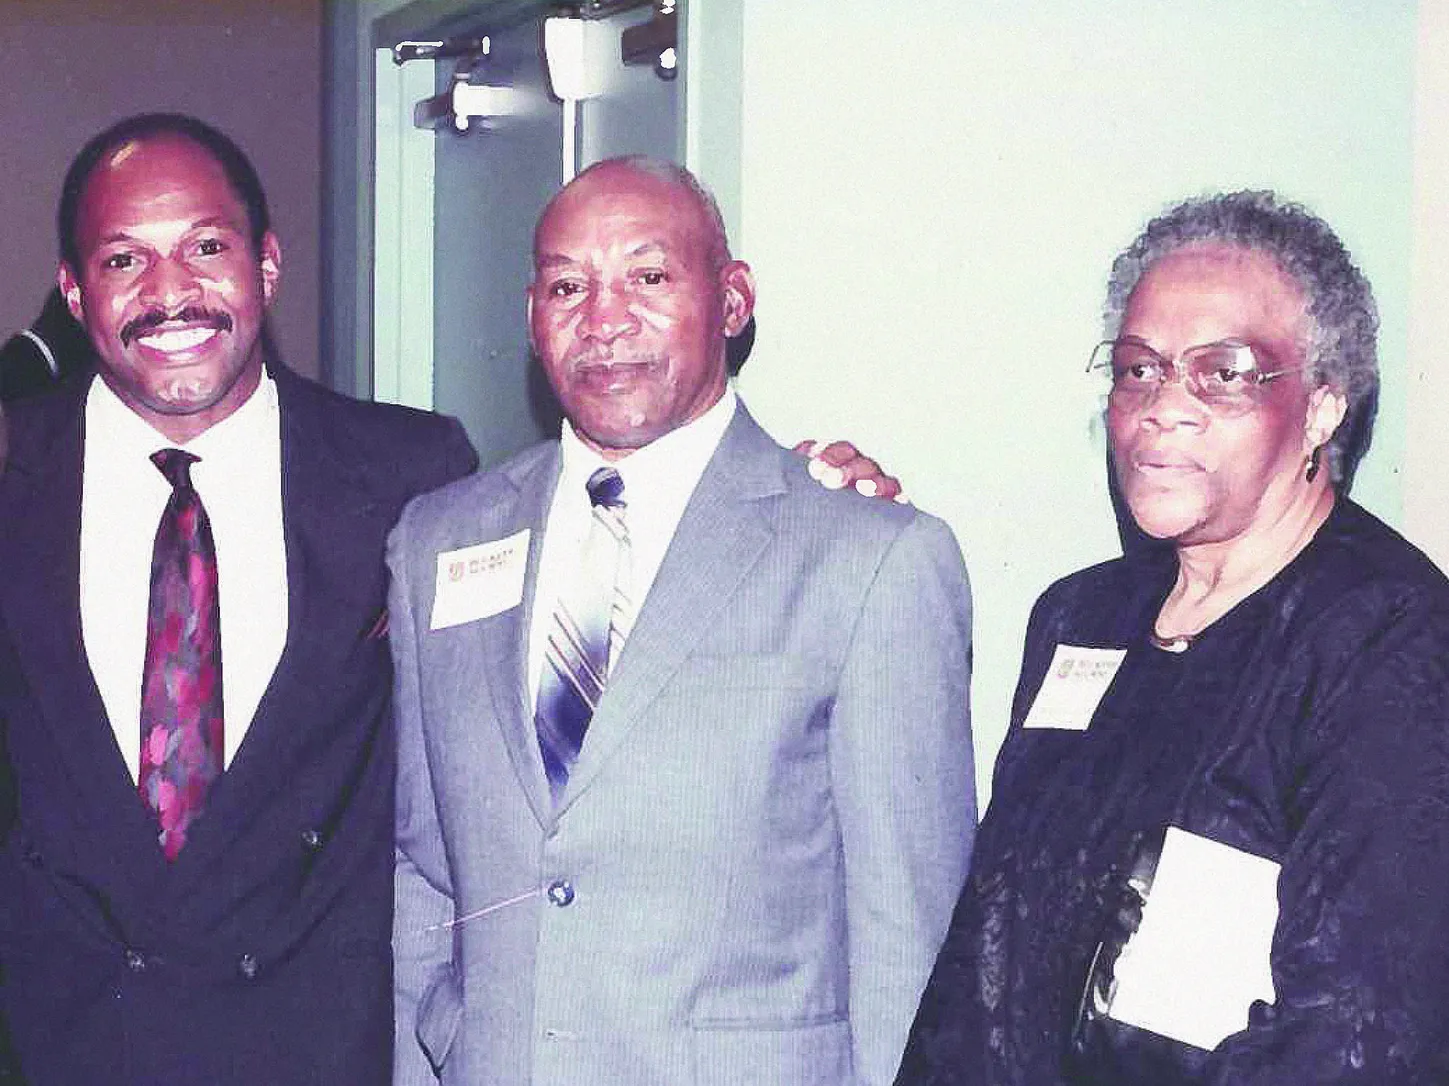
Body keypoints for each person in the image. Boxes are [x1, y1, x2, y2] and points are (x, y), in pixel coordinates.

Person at [389, 156, 976, 1086]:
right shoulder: (437, 541)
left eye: (648, 276)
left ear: (733, 299)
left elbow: (910, 941)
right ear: (532, 316)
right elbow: (422, 876)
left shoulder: (868, 560)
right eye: (567, 285)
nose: (604, 320)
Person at [895, 191, 1449, 1085]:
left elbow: (1360, 1037)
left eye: (1223, 372)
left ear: (1318, 412)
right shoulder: (1079, 619)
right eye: (1138, 369)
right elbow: (981, 963)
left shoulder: (1388, 640)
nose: (1163, 406)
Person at [0, 113, 479, 1084]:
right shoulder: (12, 471)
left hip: (312, 1048)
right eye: (124, 259)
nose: (170, 292)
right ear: (73, 292)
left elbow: (566, 624)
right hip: (60, 1047)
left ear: (265, 265)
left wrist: (809, 516)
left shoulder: (409, 472)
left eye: (206, 248)